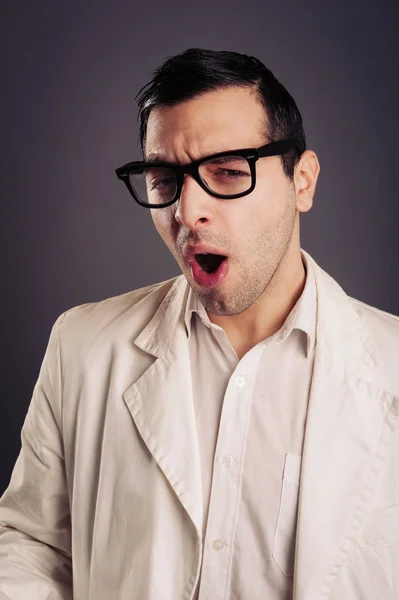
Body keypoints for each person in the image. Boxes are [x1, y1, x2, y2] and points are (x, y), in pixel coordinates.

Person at [0, 47, 398, 600]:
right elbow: (32, 547)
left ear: (302, 182)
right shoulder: (81, 347)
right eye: (165, 180)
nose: (187, 213)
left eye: (229, 172)